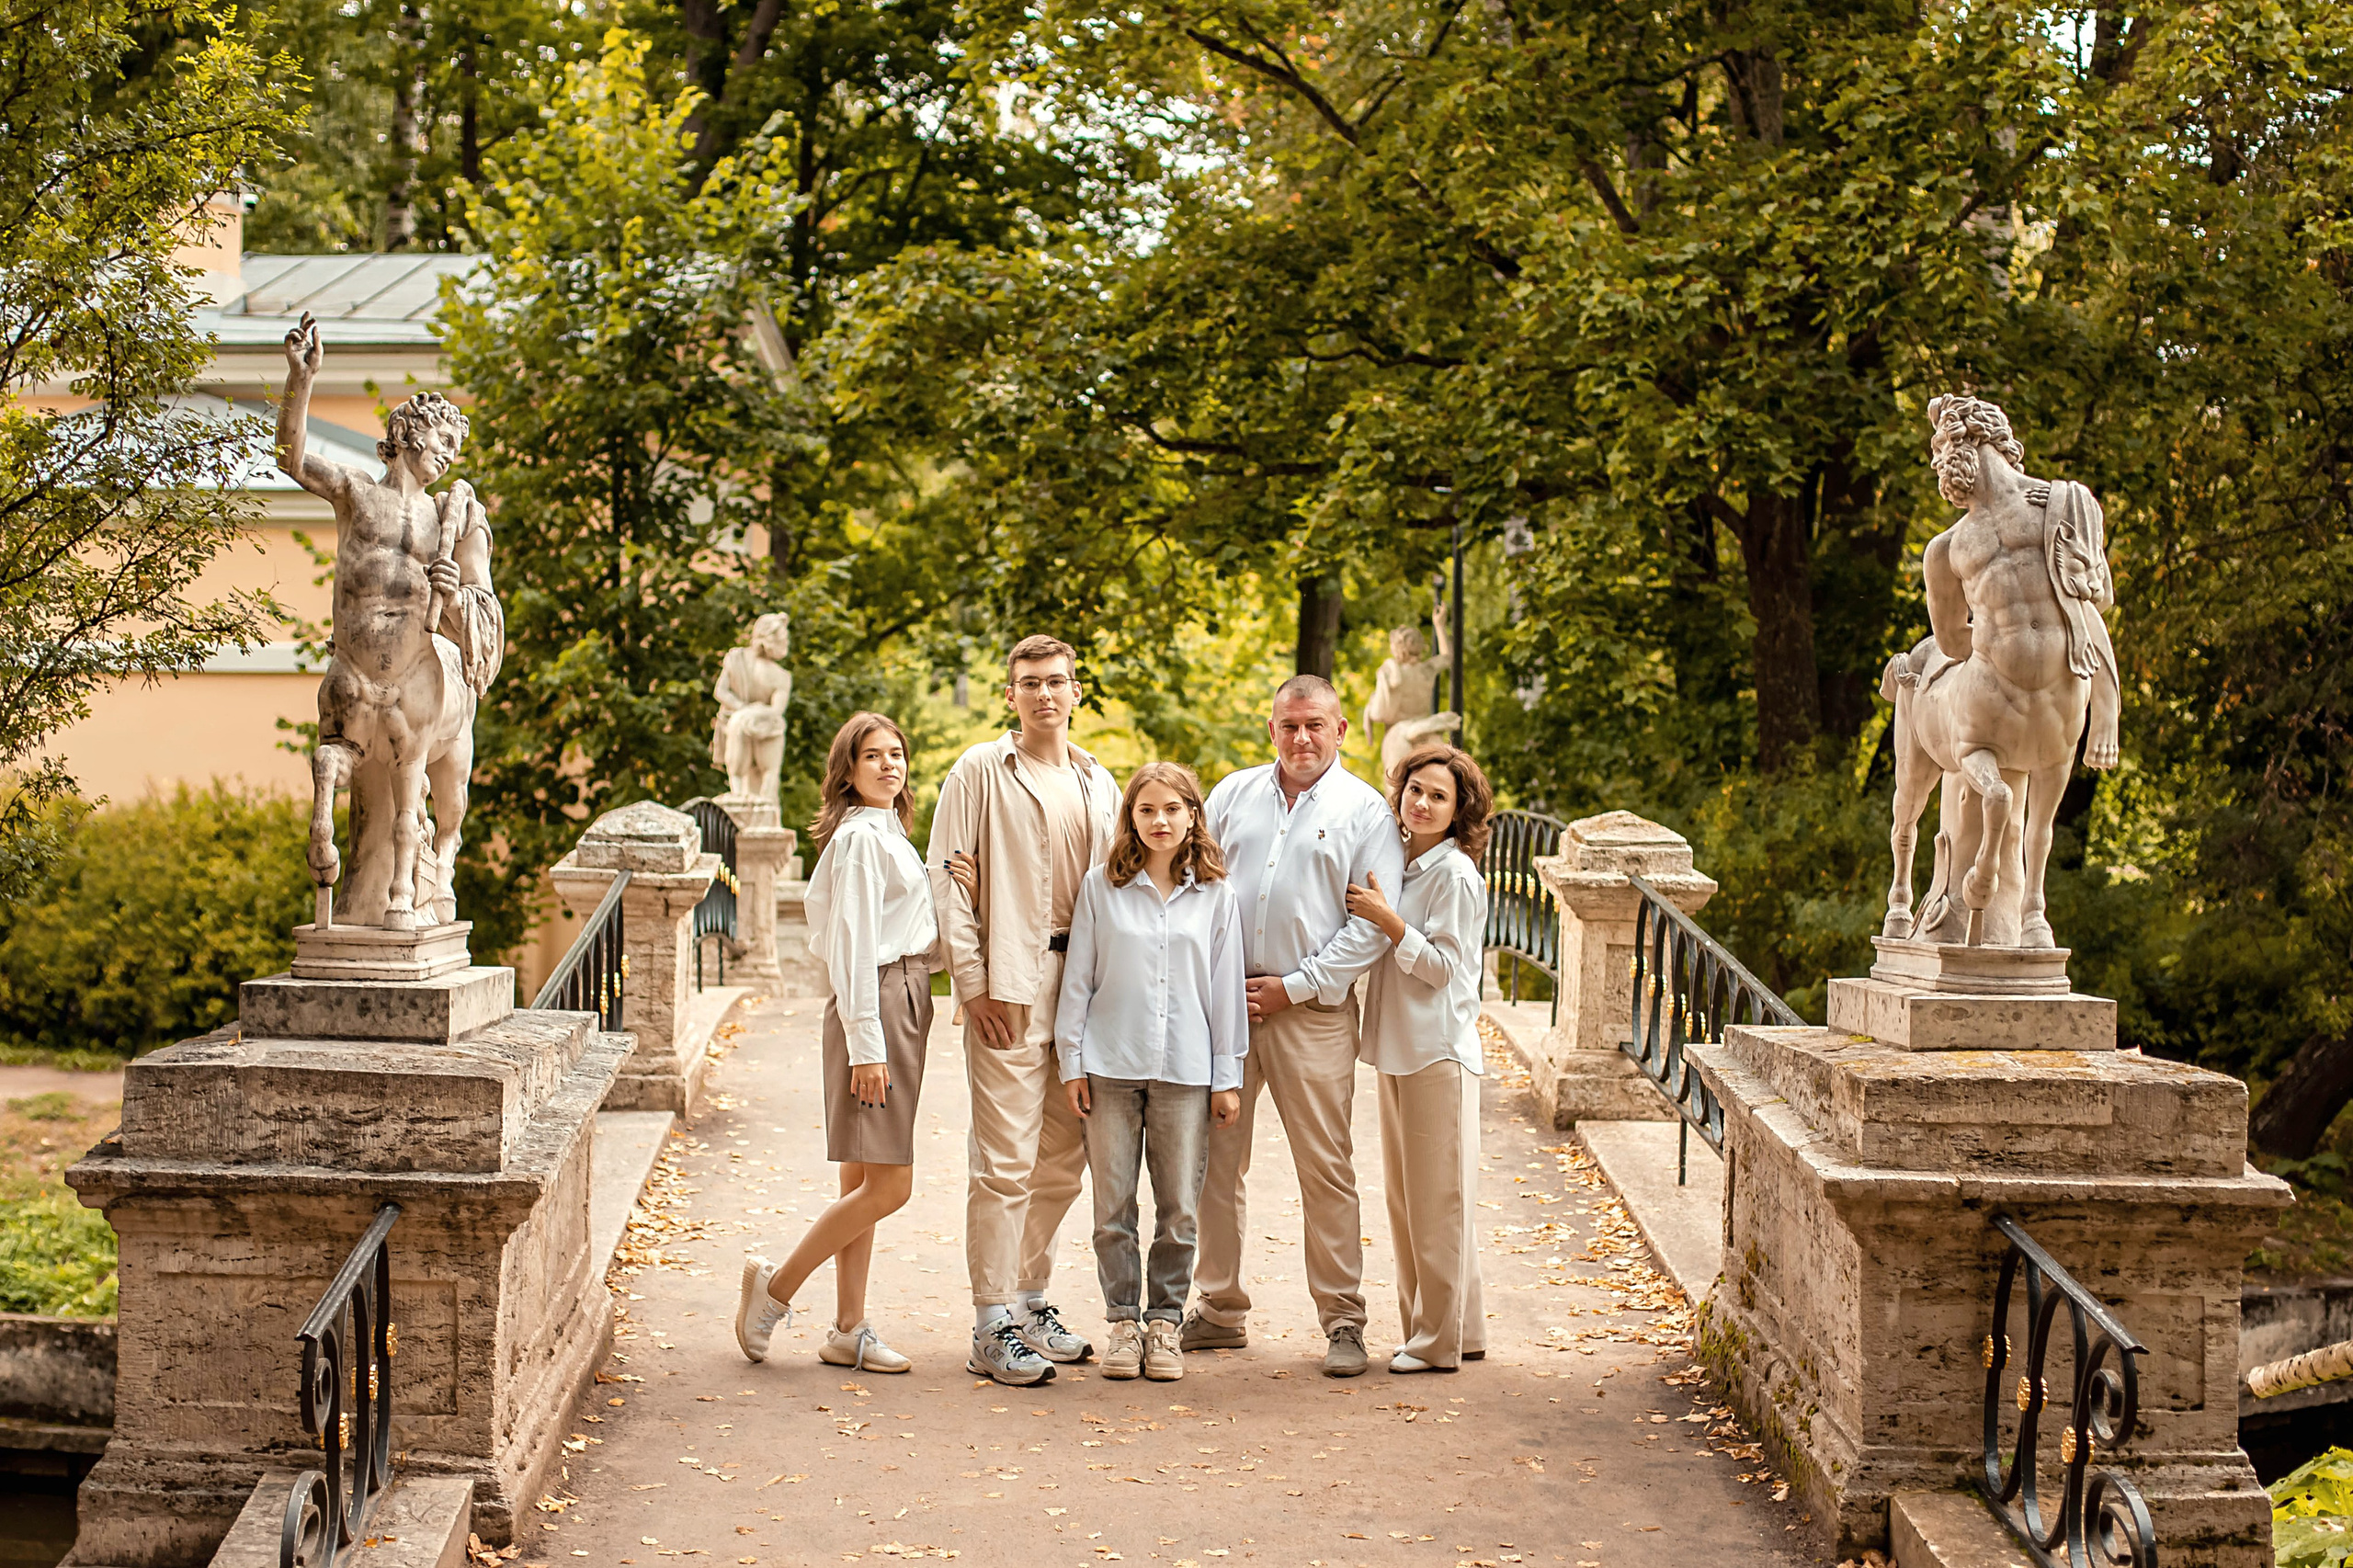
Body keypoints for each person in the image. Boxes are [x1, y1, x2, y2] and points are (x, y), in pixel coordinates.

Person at [1185, 675, 1407, 1377]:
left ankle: (1343, 1319)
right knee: (1215, 1165)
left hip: (1311, 1013)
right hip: (1226, 1008)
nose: (1301, 738)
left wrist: (1295, 988)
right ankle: (1220, 1308)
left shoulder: (1365, 812)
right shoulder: (1230, 795)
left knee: (1326, 1167)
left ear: (1340, 730)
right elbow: (1195, 885)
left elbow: (1371, 926)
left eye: (1315, 725)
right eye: (1289, 725)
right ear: (1272, 727)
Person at [928, 635, 1123, 1386]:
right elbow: (947, 878)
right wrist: (971, 986)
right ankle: (989, 1323)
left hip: (1088, 985)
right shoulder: (980, 770)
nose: (1045, 694)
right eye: (1030, 683)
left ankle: (1030, 1300)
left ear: (1078, 692)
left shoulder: (1098, 780)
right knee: (1003, 1160)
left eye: (1058, 683)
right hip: (1012, 980)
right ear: (1010, 694)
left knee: (1065, 1159)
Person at [734, 713, 940, 1372]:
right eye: (872, 756)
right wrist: (868, 1046)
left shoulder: (889, 833)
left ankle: (848, 1329)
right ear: (847, 772)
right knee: (891, 1185)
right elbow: (851, 951)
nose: (889, 765)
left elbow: (900, 925)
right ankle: (774, 1291)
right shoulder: (858, 841)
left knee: (862, 1177)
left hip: (898, 996)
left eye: (896, 753)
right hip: (877, 1002)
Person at [1052, 763, 1247, 1381]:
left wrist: (1227, 1075)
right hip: (1109, 1066)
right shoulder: (1099, 888)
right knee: (1112, 1207)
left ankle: (1164, 1321)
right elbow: (1078, 979)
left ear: (1192, 815)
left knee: (1179, 1208)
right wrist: (1071, 1062)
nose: (1160, 822)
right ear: (1130, 819)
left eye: (1172, 809)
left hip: (1186, 1071)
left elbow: (1224, 991)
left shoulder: (1217, 895)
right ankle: (1123, 1325)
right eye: (1147, 811)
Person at [1344, 744, 1494, 1372]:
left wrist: (1389, 921)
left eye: (1439, 795)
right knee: (1412, 1201)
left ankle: (1435, 1343)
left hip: (1438, 1052)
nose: (1423, 802)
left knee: (1438, 1204)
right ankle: (1459, 1328)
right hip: (1399, 1049)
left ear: (1459, 811)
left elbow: (1443, 970)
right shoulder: (1402, 864)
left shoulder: (1454, 874)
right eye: (1415, 790)